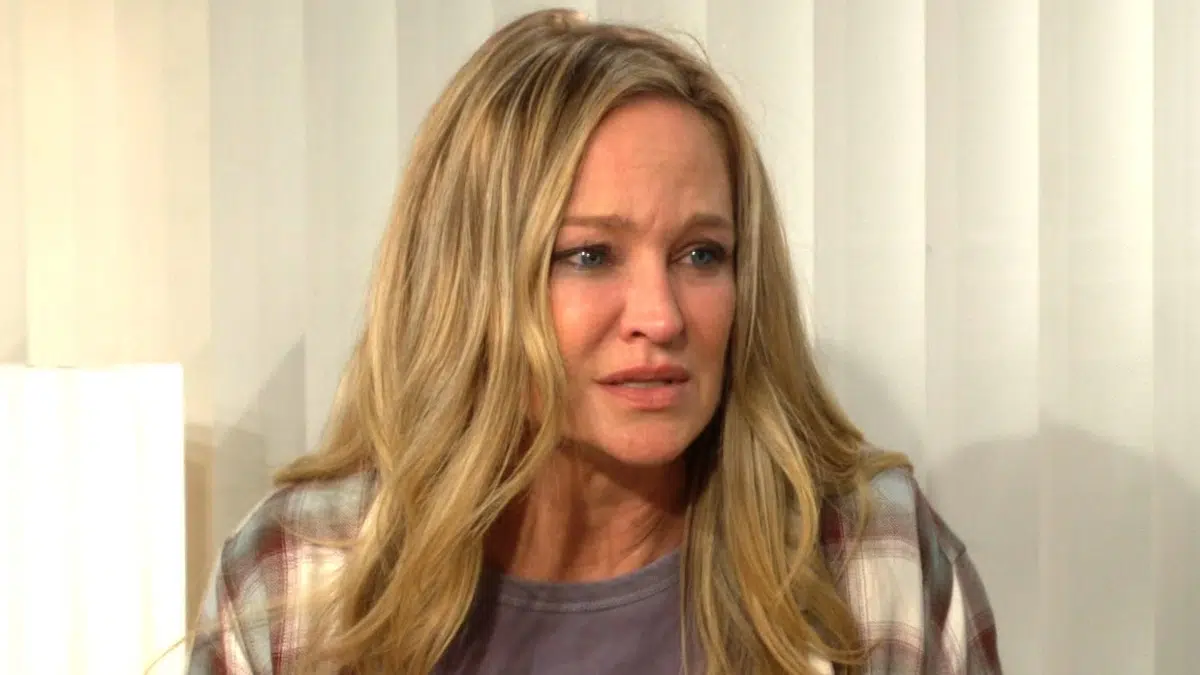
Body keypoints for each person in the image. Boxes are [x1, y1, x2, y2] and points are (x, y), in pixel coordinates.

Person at [186, 8, 1000, 675]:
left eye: (700, 254)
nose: (661, 315)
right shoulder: (299, 579)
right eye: (589, 255)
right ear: (471, 281)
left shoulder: (871, 560)